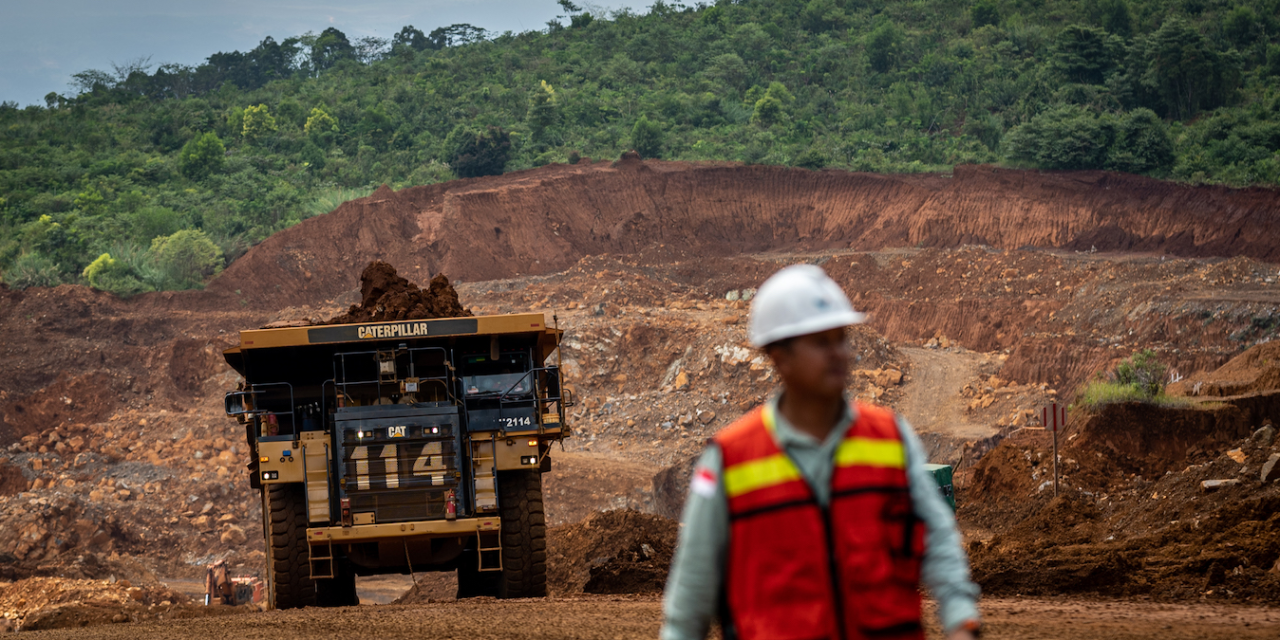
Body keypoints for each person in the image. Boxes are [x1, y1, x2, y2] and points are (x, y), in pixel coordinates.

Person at [661, 265, 982, 640]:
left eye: (841, 338)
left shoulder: (890, 439)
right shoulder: (729, 460)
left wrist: (962, 621)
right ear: (779, 356)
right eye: (820, 342)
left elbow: (938, 539)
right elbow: (689, 601)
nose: (838, 353)